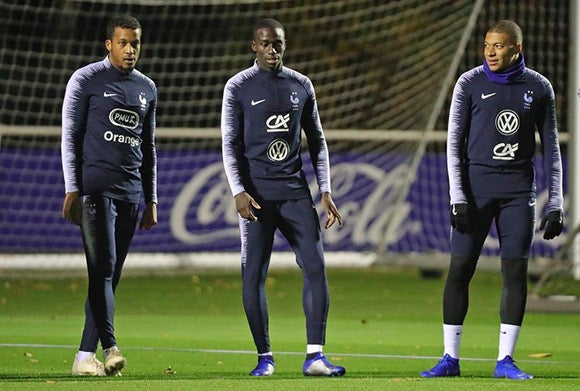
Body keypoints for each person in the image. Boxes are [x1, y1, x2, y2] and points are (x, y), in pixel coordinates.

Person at [420, 20, 563, 380]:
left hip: (518, 194)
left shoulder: (539, 87)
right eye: (487, 45)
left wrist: (556, 202)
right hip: (475, 192)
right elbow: (453, 142)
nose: (490, 51)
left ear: (517, 48)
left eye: (498, 46)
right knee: (459, 271)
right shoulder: (468, 83)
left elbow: (552, 151)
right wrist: (458, 197)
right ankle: (450, 358)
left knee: (514, 272)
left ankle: (505, 361)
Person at [221, 18, 346, 377]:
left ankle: (315, 357)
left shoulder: (301, 85)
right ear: (253, 47)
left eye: (277, 44)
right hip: (257, 199)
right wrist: (239, 190)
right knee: (253, 274)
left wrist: (325, 189)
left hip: (294, 195)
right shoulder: (238, 87)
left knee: (316, 266)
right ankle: (265, 357)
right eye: (265, 44)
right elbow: (230, 143)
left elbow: (317, 141)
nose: (272, 50)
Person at [61, 15, 158, 377]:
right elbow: (70, 136)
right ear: (109, 44)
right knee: (102, 269)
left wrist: (152, 199)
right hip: (95, 191)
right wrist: (73, 187)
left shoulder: (147, 88)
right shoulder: (85, 80)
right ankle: (111, 346)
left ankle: (85, 357)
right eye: (123, 42)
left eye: (135, 43)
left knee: (110, 276)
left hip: (131, 194)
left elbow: (148, 147)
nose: (130, 49)